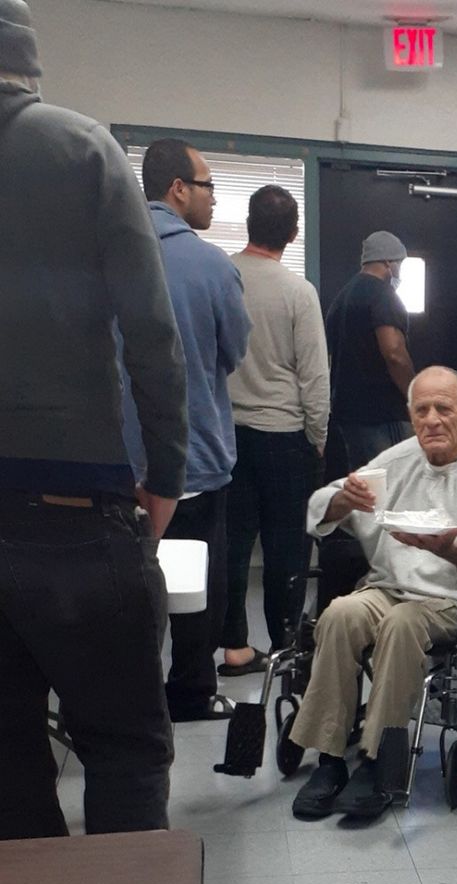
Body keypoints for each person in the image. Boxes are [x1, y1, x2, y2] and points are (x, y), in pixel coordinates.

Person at [0, 0, 187, 839]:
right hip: (78, 513)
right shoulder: (82, 149)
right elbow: (152, 335)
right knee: (122, 751)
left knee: (5, 764)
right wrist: (168, 482)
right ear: (30, 64)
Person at [289, 366, 457, 820]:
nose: (432, 420)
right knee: (339, 614)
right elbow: (325, 504)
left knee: (400, 624)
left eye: (444, 408)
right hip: (389, 587)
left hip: (455, 599)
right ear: (411, 417)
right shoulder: (395, 461)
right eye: (422, 410)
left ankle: (378, 759)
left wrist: (450, 549)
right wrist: (343, 501)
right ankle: (330, 758)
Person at [125, 137, 251, 722]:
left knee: (124, 587)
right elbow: (232, 353)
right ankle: (192, 692)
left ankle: (130, 696)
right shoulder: (210, 265)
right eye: (207, 187)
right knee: (202, 582)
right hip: (193, 456)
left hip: (116, 465)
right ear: (178, 188)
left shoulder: (107, 254)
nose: (213, 200)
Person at [220, 186, 329, 674]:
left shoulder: (220, 277)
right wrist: (318, 439)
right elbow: (314, 376)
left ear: (247, 223)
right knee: (286, 549)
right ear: (293, 232)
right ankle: (284, 644)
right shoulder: (297, 292)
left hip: (226, 436)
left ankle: (234, 647)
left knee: (233, 548)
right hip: (285, 438)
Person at [325, 230, 416, 472]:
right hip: (382, 415)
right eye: (400, 264)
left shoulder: (342, 298)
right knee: (396, 483)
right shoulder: (383, 295)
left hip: (347, 413)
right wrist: (415, 396)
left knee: (364, 487)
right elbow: (394, 352)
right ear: (389, 262)